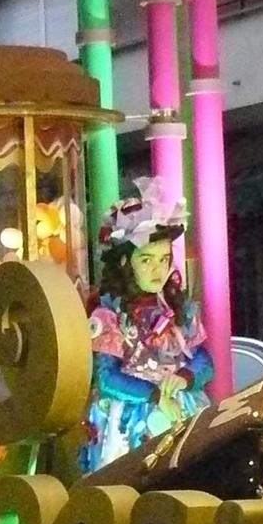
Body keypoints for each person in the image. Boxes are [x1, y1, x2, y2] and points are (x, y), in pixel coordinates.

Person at [82, 177, 213, 470]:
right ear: (125, 263)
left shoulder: (180, 308)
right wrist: (154, 395)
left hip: (181, 405)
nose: (158, 269)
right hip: (131, 418)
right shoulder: (108, 315)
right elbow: (106, 378)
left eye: (164, 259)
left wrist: (185, 377)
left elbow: (204, 359)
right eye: (146, 260)